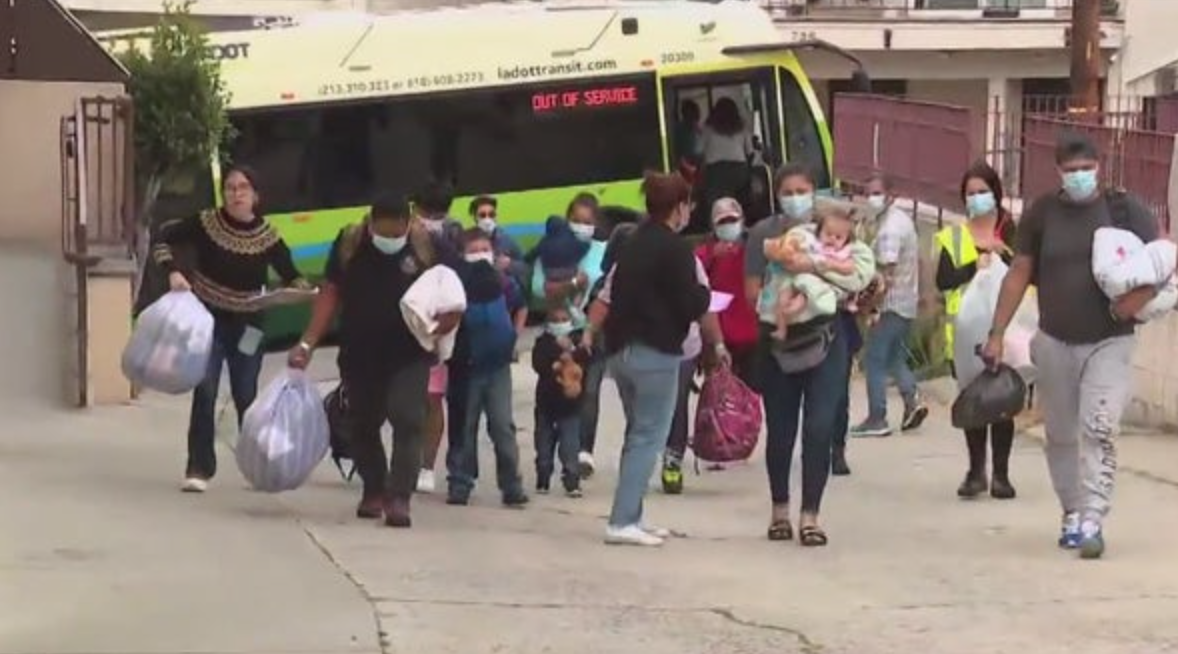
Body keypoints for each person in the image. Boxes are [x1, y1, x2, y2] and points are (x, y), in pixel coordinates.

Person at [982, 133, 1159, 560]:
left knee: (1099, 427)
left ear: (1099, 167)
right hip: (1055, 339)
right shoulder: (1043, 214)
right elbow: (1020, 270)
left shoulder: (1123, 210)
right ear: (1058, 171)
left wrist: (1138, 299)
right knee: (1060, 432)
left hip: (1109, 340)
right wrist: (997, 331)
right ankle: (1072, 511)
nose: (1079, 176)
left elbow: (1161, 261)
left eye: (1086, 168)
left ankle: (1094, 517)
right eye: (1071, 170)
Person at [289, 194, 461, 528]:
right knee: (362, 424)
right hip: (359, 352)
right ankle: (374, 488)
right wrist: (308, 342)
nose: (390, 240)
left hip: (409, 352)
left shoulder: (428, 245)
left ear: (407, 223)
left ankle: (399, 497)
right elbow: (331, 293)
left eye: (396, 234)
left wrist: (448, 321)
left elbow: (453, 290)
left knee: (408, 417)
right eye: (383, 233)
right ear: (370, 223)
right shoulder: (350, 243)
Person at [153, 165, 307, 493]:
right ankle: (199, 468)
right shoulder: (207, 223)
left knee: (246, 393)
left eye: (243, 188)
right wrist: (172, 271)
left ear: (256, 196)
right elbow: (163, 237)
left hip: (250, 326)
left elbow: (293, 274)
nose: (236, 194)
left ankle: (260, 466)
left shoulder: (268, 236)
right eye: (231, 188)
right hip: (208, 321)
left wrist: (299, 291)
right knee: (205, 389)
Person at [745, 164, 875, 547]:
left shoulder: (846, 238)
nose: (796, 197)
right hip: (779, 338)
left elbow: (859, 276)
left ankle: (811, 516)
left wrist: (815, 267)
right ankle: (780, 510)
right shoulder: (766, 234)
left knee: (819, 426)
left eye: (803, 190)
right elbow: (757, 285)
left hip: (827, 339)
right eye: (789, 191)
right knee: (781, 429)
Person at [596, 171, 710, 546]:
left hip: (620, 350)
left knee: (636, 433)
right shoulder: (675, 248)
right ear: (679, 207)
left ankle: (634, 514)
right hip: (655, 351)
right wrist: (705, 298)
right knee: (649, 436)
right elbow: (689, 300)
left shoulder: (632, 240)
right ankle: (622, 519)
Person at [937, 162, 1018, 500]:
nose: (977, 198)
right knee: (972, 400)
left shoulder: (1011, 231)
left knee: (1002, 398)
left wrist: (1004, 254)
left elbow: (1027, 272)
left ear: (996, 194)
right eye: (970, 193)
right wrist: (973, 265)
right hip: (965, 333)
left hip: (1005, 330)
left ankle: (1001, 474)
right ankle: (975, 471)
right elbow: (942, 281)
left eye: (983, 191)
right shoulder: (953, 235)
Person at [445, 229, 529, 507]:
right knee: (464, 428)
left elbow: (521, 306)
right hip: (466, 368)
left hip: (497, 367)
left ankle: (511, 485)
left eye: (484, 248)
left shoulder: (502, 282)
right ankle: (460, 482)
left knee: (503, 426)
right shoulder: (455, 286)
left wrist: (513, 338)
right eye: (474, 249)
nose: (480, 254)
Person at [531, 193, 609, 478]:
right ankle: (552, 453)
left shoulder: (603, 250)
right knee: (557, 390)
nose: (580, 226)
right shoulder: (552, 249)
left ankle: (583, 451)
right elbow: (540, 290)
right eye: (575, 220)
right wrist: (573, 284)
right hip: (559, 330)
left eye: (587, 222)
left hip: (592, 329)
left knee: (588, 390)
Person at [850, 173, 928, 438]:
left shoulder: (889, 230)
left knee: (874, 359)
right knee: (895, 357)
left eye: (876, 192)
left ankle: (877, 417)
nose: (871, 198)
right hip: (907, 302)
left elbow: (885, 275)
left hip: (891, 304)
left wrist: (871, 308)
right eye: (867, 191)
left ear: (890, 195)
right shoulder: (899, 219)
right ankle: (912, 399)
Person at [415, 180, 464, 495]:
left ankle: (427, 467)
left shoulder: (453, 241)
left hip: (439, 333)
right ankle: (410, 461)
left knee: (432, 399)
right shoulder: (404, 236)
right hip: (406, 328)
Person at [762, 208, 857, 342]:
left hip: (817, 282)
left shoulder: (842, 252)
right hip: (799, 277)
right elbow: (799, 250)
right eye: (828, 234)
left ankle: (795, 308)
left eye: (838, 237)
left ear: (846, 240)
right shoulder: (814, 244)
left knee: (804, 294)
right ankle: (781, 328)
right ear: (819, 232)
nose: (832, 239)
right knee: (782, 295)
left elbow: (850, 267)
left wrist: (833, 265)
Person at [695, 198, 759, 387]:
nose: (728, 225)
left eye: (732, 219)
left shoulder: (754, 249)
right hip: (718, 336)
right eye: (722, 221)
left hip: (752, 336)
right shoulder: (702, 254)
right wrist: (712, 257)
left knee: (751, 396)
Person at [532, 304, 592, 498]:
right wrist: (555, 359)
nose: (560, 324)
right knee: (543, 445)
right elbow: (539, 364)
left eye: (563, 320)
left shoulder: (579, 342)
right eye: (555, 321)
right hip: (546, 405)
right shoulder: (543, 343)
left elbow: (587, 361)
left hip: (571, 407)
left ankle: (572, 481)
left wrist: (574, 351)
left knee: (570, 446)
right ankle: (543, 478)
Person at [527, 216, 591, 319]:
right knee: (584, 281)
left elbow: (530, 256)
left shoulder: (544, 242)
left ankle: (561, 319)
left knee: (556, 307)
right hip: (571, 280)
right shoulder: (572, 239)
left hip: (551, 281)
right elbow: (584, 248)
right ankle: (575, 306)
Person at [469, 194, 528, 288]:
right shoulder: (467, 241)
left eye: (491, 215)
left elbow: (524, 266)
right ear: (475, 217)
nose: (487, 219)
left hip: (503, 293)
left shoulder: (506, 239)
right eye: (482, 215)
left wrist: (510, 264)